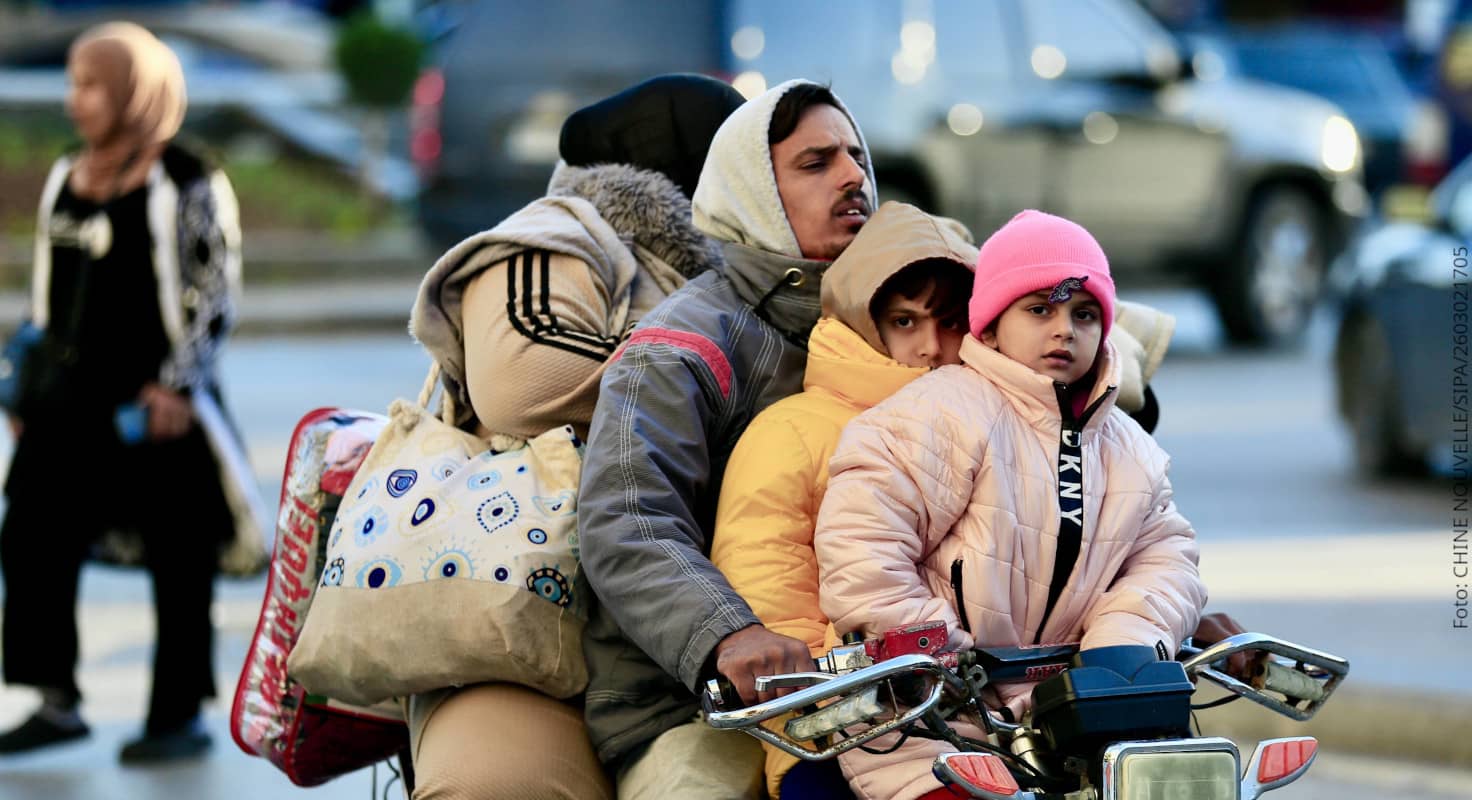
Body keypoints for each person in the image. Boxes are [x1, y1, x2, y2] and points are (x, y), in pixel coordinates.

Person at [577, 80, 1181, 798]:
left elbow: (1074, 514)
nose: (851, 176)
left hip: (957, 699)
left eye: (857, 156)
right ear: (753, 190)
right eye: (815, 162)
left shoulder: (929, 314)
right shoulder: (681, 348)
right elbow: (628, 519)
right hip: (705, 692)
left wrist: (1157, 624)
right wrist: (729, 636)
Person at [405, 73, 745, 799]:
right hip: (527, 625)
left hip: (688, 632)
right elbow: (525, 383)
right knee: (494, 786)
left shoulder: (761, 273)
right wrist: (719, 385)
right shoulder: (557, 236)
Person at [813, 210, 1209, 800]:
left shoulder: (1130, 448)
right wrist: (932, 649)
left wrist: (1122, 645)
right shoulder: (937, 412)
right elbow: (860, 542)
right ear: (992, 327)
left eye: (1085, 314)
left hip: (1076, 716)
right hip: (927, 721)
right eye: (1040, 309)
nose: (1064, 330)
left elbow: (1166, 559)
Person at [0, 22, 266, 763]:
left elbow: (216, 293)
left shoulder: (187, 178)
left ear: (134, 91)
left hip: (155, 406)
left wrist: (178, 386)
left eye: (91, 85)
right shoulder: (67, 173)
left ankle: (177, 716)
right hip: (66, 400)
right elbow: (46, 297)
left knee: (180, 554)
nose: (75, 99)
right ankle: (54, 701)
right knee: (30, 536)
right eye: (74, 83)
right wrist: (23, 392)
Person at [711, 201, 976, 799]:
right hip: (839, 733)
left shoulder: (1003, 419)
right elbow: (773, 603)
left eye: (952, 321)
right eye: (904, 322)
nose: (932, 346)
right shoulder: (792, 432)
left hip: (995, 715)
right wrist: (827, 722)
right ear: (863, 323)